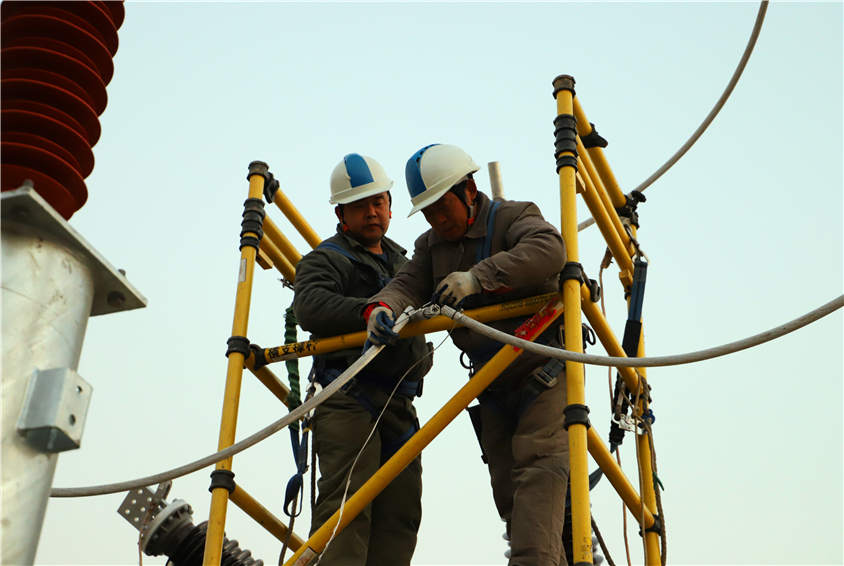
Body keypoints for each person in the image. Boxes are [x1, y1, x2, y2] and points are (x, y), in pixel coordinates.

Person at [364, 143, 570, 566]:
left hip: (541, 373)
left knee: (537, 479)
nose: (438, 220)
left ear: (470, 191)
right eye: (429, 213)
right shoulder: (431, 246)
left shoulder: (513, 217)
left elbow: (549, 250)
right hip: (492, 385)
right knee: (511, 499)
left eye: (443, 208)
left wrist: (479, 278)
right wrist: (381, 308)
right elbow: (406, 285)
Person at [293, 153, 432, 565]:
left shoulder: (405, 263)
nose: (372, 212)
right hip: (350, 396)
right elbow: (310, 305)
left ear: (390, 205)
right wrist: (366, 311)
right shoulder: (327, 259)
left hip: (399, 401)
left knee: (401, 512)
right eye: (360, 205)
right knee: (347, 509)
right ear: (341, 214)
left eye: (378, 202)